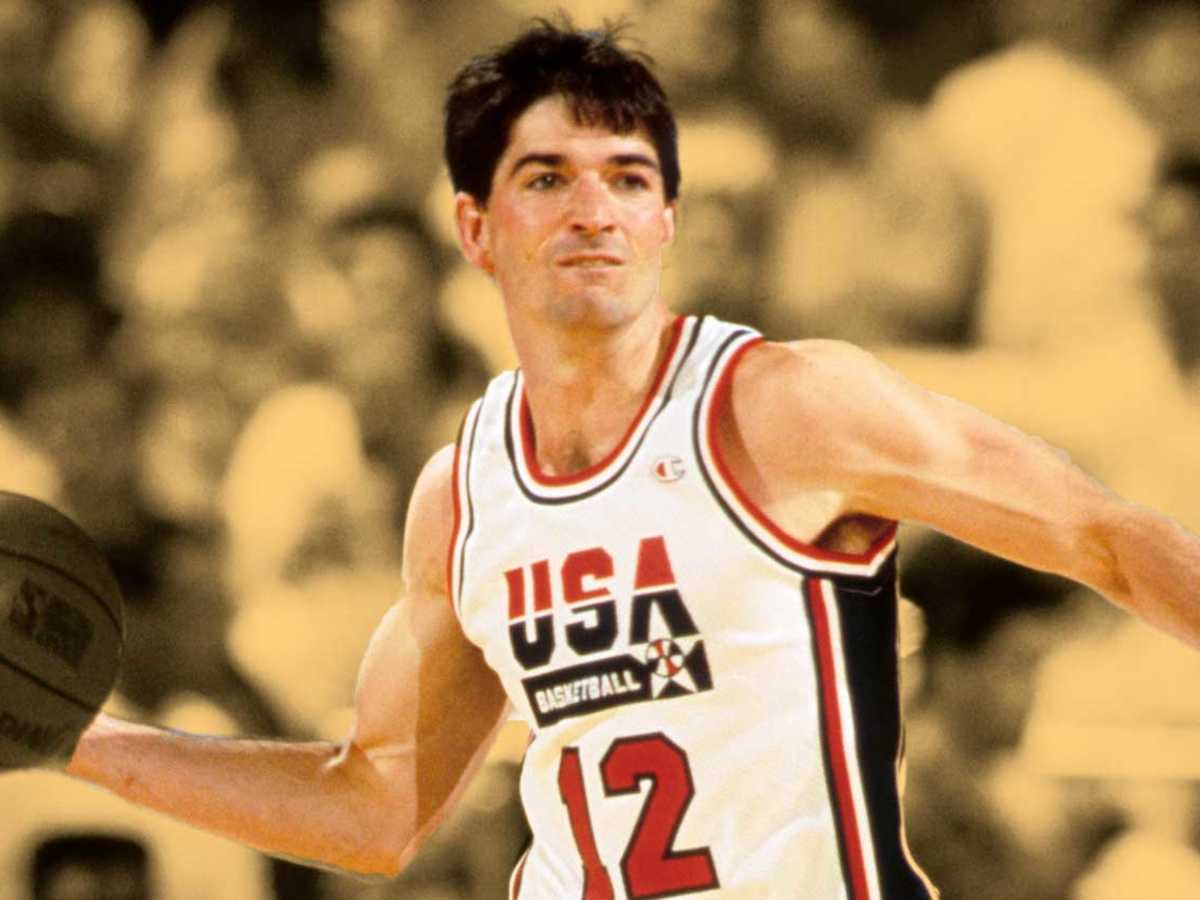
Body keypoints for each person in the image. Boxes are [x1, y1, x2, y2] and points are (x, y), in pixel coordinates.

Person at [52, 19, 1200, 899]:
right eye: (548, 179)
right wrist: (82, 741)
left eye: (629, 177)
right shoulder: (465, 492)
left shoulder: (787, 407)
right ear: (476, 230)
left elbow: (1107, 537)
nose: (594, 211)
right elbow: (374, 809)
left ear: (666, 219)